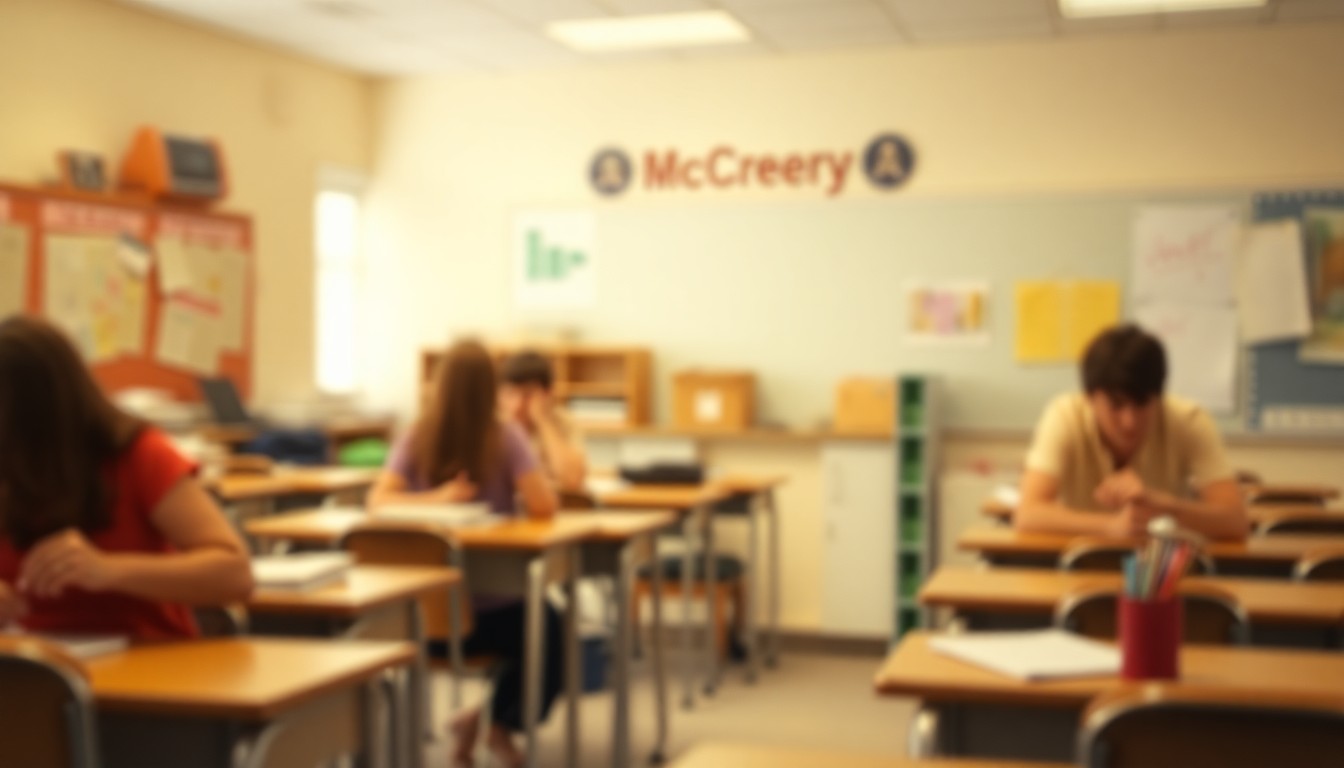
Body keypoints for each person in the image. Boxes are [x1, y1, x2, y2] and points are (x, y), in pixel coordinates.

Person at [368, 339, 560, 768]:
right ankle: (497, 724)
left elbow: (378, 501)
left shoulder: (417, 434)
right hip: (490, 616)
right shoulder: (506, 437)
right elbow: (545, 505)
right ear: (491, 388)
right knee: (552, 632)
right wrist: (449, 498)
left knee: (543, 625)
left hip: (413, 622)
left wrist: (432, 498)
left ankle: (475, 721)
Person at [0, 316, 253, 640]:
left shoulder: (137, 455)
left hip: (148, 664)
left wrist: (107, 569)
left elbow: (235, 575)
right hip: (34, 668)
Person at [1016, 324, 1248, 541]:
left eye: (1142, 404)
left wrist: (1166, 508)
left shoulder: (1190, 420)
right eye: (1116, 405)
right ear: (1089, 398)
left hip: (1160, 571)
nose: (1129, 421)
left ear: (1158, 396)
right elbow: (1028, 514)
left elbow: (1235, 521)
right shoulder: (1064, 417)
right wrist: (1110, 526)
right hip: (1078, 568)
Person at [498, 350, 588, 494]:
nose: (517, 405)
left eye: (527, 395)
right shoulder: (495, 425)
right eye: (509, 393)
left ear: (547, 394)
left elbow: (572, 480)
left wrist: (543, 421)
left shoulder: (562, 421)